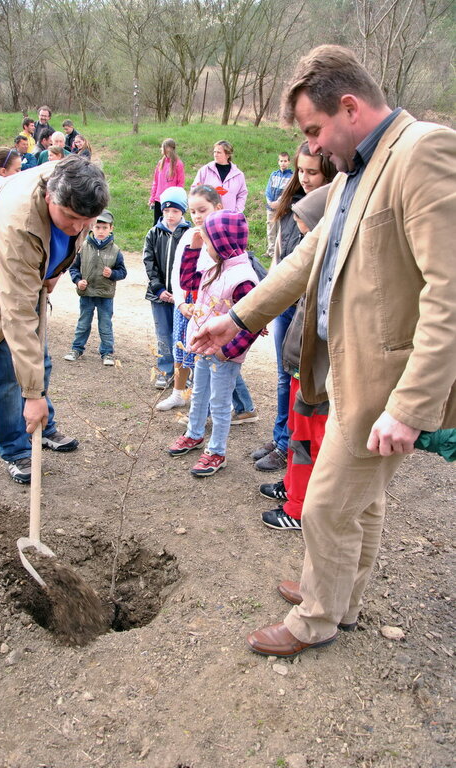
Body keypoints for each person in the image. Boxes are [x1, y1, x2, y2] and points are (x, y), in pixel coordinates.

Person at [189, 44, 456, 659]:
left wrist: (410, 407)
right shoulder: (357, 169)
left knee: (326, 506)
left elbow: (448, 293)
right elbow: (304, 260)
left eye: (314, 131)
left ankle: (316, 618)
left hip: (386, 386)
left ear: (350, 107)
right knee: (362, 505)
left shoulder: (423, 152)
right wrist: (236, 319)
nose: (312, 146)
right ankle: (340, 599)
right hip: (347, 374)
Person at [0, 156, 109, 484]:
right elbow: (17, 315)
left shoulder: (78, 184)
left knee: (38, 359)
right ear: (49, 196)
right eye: (71, 217)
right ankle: (16, 448)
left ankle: (41, 427)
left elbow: (70, 233)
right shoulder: (18, 222)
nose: (78, 228)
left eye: (87, 220)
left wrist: (56, 270)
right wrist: (32, 396)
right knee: (6, 370)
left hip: (27, 270)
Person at [252, 142, 336, 471]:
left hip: (310, 312)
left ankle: (292, 445)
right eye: (300, 170)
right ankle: (281, 437)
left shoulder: (332, 209)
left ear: (329, 172)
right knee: (283, 377)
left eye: (312, 172)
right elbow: (279, 261)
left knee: (303, 382)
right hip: (286, 306)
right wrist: (266, 305)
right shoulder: (290, 207)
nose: (304, 177)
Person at [260, 183, 331, 530]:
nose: (303, 243)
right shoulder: (313, 271)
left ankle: (299, 508)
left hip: (314, 378)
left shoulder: (329, 279)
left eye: (307, 235)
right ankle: (292, 487)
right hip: (299, 368)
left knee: (307, 440)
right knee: (295, 432)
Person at [167, 210, 260, 477]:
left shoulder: (243, 278)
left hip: (224, 355)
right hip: (203, 345)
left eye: (207, 241)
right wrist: (194, 249)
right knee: (199, 393)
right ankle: (194, 434)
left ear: (222, 242)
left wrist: (225, 352)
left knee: (219, 403)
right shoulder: (216, 266)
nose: (206, 246)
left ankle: (217, 451)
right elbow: (188, 283)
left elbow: (252, 324)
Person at [159, 184, 258, 425]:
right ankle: (212, 414)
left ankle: (215, 417)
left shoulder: (229, 256)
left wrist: (229, 349)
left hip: (218, 319)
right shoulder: (194, 238)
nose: (196, 216)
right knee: (204, 364)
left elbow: (249, 317)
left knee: (220, 367)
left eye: (201, 210)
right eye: (192, 211)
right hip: (197, 310)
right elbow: (184, 278)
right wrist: (181, 302)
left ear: (217, 207)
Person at [64, 209, 127, 365]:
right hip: (86, 293)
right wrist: (78, 281)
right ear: (92, 227)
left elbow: (122, 272)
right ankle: (76, 349)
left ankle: (107, 353)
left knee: (105, 325)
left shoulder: (115, 251)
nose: (101, 231)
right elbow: (73, 268)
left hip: (105, 295)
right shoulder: (83, 247)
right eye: (98, 227)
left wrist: (112, 273)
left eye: (105, 228)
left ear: (111, 229)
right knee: (83, 323)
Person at [143, 187, 191, 389]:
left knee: (183, 336)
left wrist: (182, 292)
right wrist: (159, 289)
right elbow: (149, 262)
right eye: (166, 210)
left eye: (175, 211)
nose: (170, 215)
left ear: (183, 212)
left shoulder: (190, 234)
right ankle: (165, 371)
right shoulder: (154, 233)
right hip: (159, 296)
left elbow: (192, 265)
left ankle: (185, 373)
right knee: (163, 334)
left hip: (183, 297)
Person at [191, 141, 247, 213]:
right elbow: (194, 189)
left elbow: (242, 194)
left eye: (219, 152)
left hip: (229, 215)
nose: (215, 155)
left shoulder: (238, 175)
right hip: (208, 215)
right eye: (214, 152)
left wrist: (237, 211)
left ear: (227, 155)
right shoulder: (205, 170)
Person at [149, 138, 185, 226]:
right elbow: (156, 182)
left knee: (170, 223)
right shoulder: (160, 163)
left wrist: (177, 198)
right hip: (159, 199)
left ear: (168, 148)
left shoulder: (178, 164)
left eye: (163, 147)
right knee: (157, 224)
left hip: (170, 199)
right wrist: (152, 197)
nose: (161, 149)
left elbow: (180, 183)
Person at [265, 152, 293, 260]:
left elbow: (287, 192)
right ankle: (271, 251)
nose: (283, 163)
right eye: (281, 161)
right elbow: (268, 190)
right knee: (271, 229)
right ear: (278, 162)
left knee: (281, 230)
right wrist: (269, 202)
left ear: (289, 162)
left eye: (285, 161)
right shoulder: (274, 175)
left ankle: (279, 252)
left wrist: (279, 202)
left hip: (282, 208)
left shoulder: (291, 176)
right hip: (271, 207)